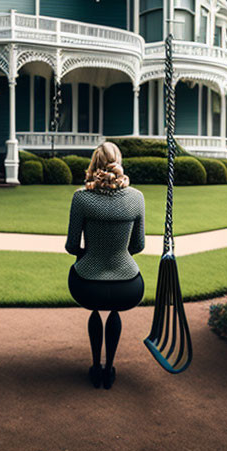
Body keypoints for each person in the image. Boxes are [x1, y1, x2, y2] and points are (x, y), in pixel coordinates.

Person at [65, 141, 145, 389]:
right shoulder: (136, 198)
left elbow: (71, 246)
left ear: (94, 164)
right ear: (118, 162)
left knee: (96, 309)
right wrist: (117, 252)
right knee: (114, 310)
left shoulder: (82, 198)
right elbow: (138, 246)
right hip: (128, 286)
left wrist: (89, 255)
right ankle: (109, 369)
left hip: (88, 285)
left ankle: (95, 366)